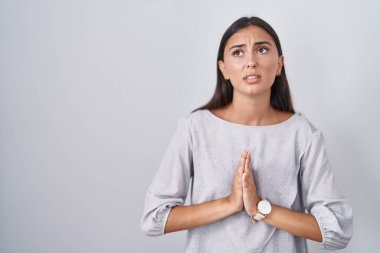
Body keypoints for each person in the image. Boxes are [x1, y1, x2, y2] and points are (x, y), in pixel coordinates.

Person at [140, 16, 353, 252]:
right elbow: (154, 218)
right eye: (238, 53)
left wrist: (262, 208)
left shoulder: (302, 134)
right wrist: (230, 203)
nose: (251, 61)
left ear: (279, 64)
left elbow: (338, 230)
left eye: (261, 49)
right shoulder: (195, 127)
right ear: (223, 68)